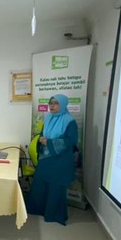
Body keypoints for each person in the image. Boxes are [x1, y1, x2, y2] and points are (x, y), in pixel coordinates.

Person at [26, 94, 78, 226]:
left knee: (55, 188)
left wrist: (49, 142)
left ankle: (53, 214)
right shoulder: (48, 118)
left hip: (60, 160)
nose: (52, 106)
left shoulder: (69, 121)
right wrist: (42, 139)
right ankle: (38, 209)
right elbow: (43, 134)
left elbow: (71, 140)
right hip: (46, 158)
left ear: (63, 105)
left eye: (56, 103)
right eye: (50, 103)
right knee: (40, 184)